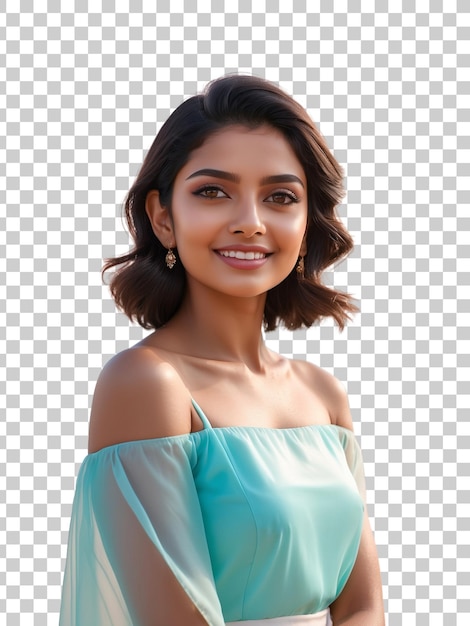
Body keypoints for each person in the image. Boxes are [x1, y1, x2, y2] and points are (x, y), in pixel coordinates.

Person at [59, 74, 384, 626]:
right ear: (164, 217)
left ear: (306, 226)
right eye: (213, 191)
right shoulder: (147, 383)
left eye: (280, 197)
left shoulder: (322, 394)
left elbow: (363, 605)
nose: (250, 222)